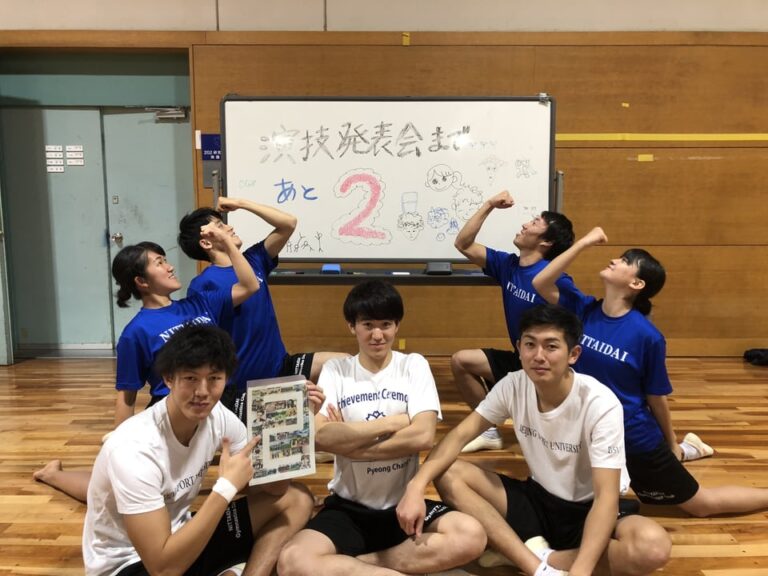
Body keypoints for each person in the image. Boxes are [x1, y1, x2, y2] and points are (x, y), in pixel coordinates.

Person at [397, 304, 672, 576]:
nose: (539, 356)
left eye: (551, 346)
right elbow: (458, 436)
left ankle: (535, 555)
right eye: (530, 345)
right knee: (447, 472)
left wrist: (581, 571)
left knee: (652, 548)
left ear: (573, 354)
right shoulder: (513, 384)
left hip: (589, 508)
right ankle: (535, 567)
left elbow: (606, 498)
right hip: (538, 499)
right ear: (519, 349)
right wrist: (416, 485)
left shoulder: (599, 403)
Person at [532, 227, 768, 518]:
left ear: (637, 283)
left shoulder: (647, 336)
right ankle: (692, 448)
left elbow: (656, 396)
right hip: (588, 430)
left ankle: (695, 455)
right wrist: (584, 243)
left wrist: (670, 444)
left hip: (634, 437)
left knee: (701, 506)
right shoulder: (583, 310)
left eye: (624, 261)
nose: (614, 260)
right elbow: (541, 281)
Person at [33, 224, 260, 501]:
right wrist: (119, 444)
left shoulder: (200, 303)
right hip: (171, 413)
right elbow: (127, 395)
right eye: (159, 263)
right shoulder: (136, 332)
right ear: (141, 281)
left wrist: (226, 241)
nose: (170, 267)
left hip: (215, 401)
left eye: (165, 260)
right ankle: (52, 474)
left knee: (252, 472)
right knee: (114, 493)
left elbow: (250, 285)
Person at [277, 280, 487, 576]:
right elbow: (321, 436)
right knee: (291, 561)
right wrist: (394, 423)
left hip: (403, 505)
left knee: (471, 536)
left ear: (397, 325)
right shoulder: (337, 371)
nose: (377, 335)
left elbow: (423, 435)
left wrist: (351, 441)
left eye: (386, 324)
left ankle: (359, 565)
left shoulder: (413, 365)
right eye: (367, 325)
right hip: (348, 508)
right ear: (352, 326)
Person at [82, 323, 314, 576]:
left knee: (297, 498)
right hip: (133, 564)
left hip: (182, 534)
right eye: (191, 378)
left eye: (214, 378)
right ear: (168, 378)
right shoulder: (133, 449)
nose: (203, 392)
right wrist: (225, 488)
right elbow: (163, 569)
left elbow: (274, 489)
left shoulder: (219, 417)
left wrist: (292, 428)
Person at [178, 198, 348, 422]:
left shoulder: (253, 260)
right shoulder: (203, 284)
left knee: (344, 364)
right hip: (244, 384)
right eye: (219, 226)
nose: (229, 228)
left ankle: (334, 423)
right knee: (288, 422)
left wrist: (241, 204)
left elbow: (288, 223)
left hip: (281, 366)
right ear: (206, 243)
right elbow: (248, 288)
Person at [451, 189, 575, 452]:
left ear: (546, 242)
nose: (525, 225)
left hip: (547, 369)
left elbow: (576, 327)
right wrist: (489, 204)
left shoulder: (554, 281)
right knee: (461, 360)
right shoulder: (508, 265)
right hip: (520, 360)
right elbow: (463, 244)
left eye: (535, 223)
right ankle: (488, 432)